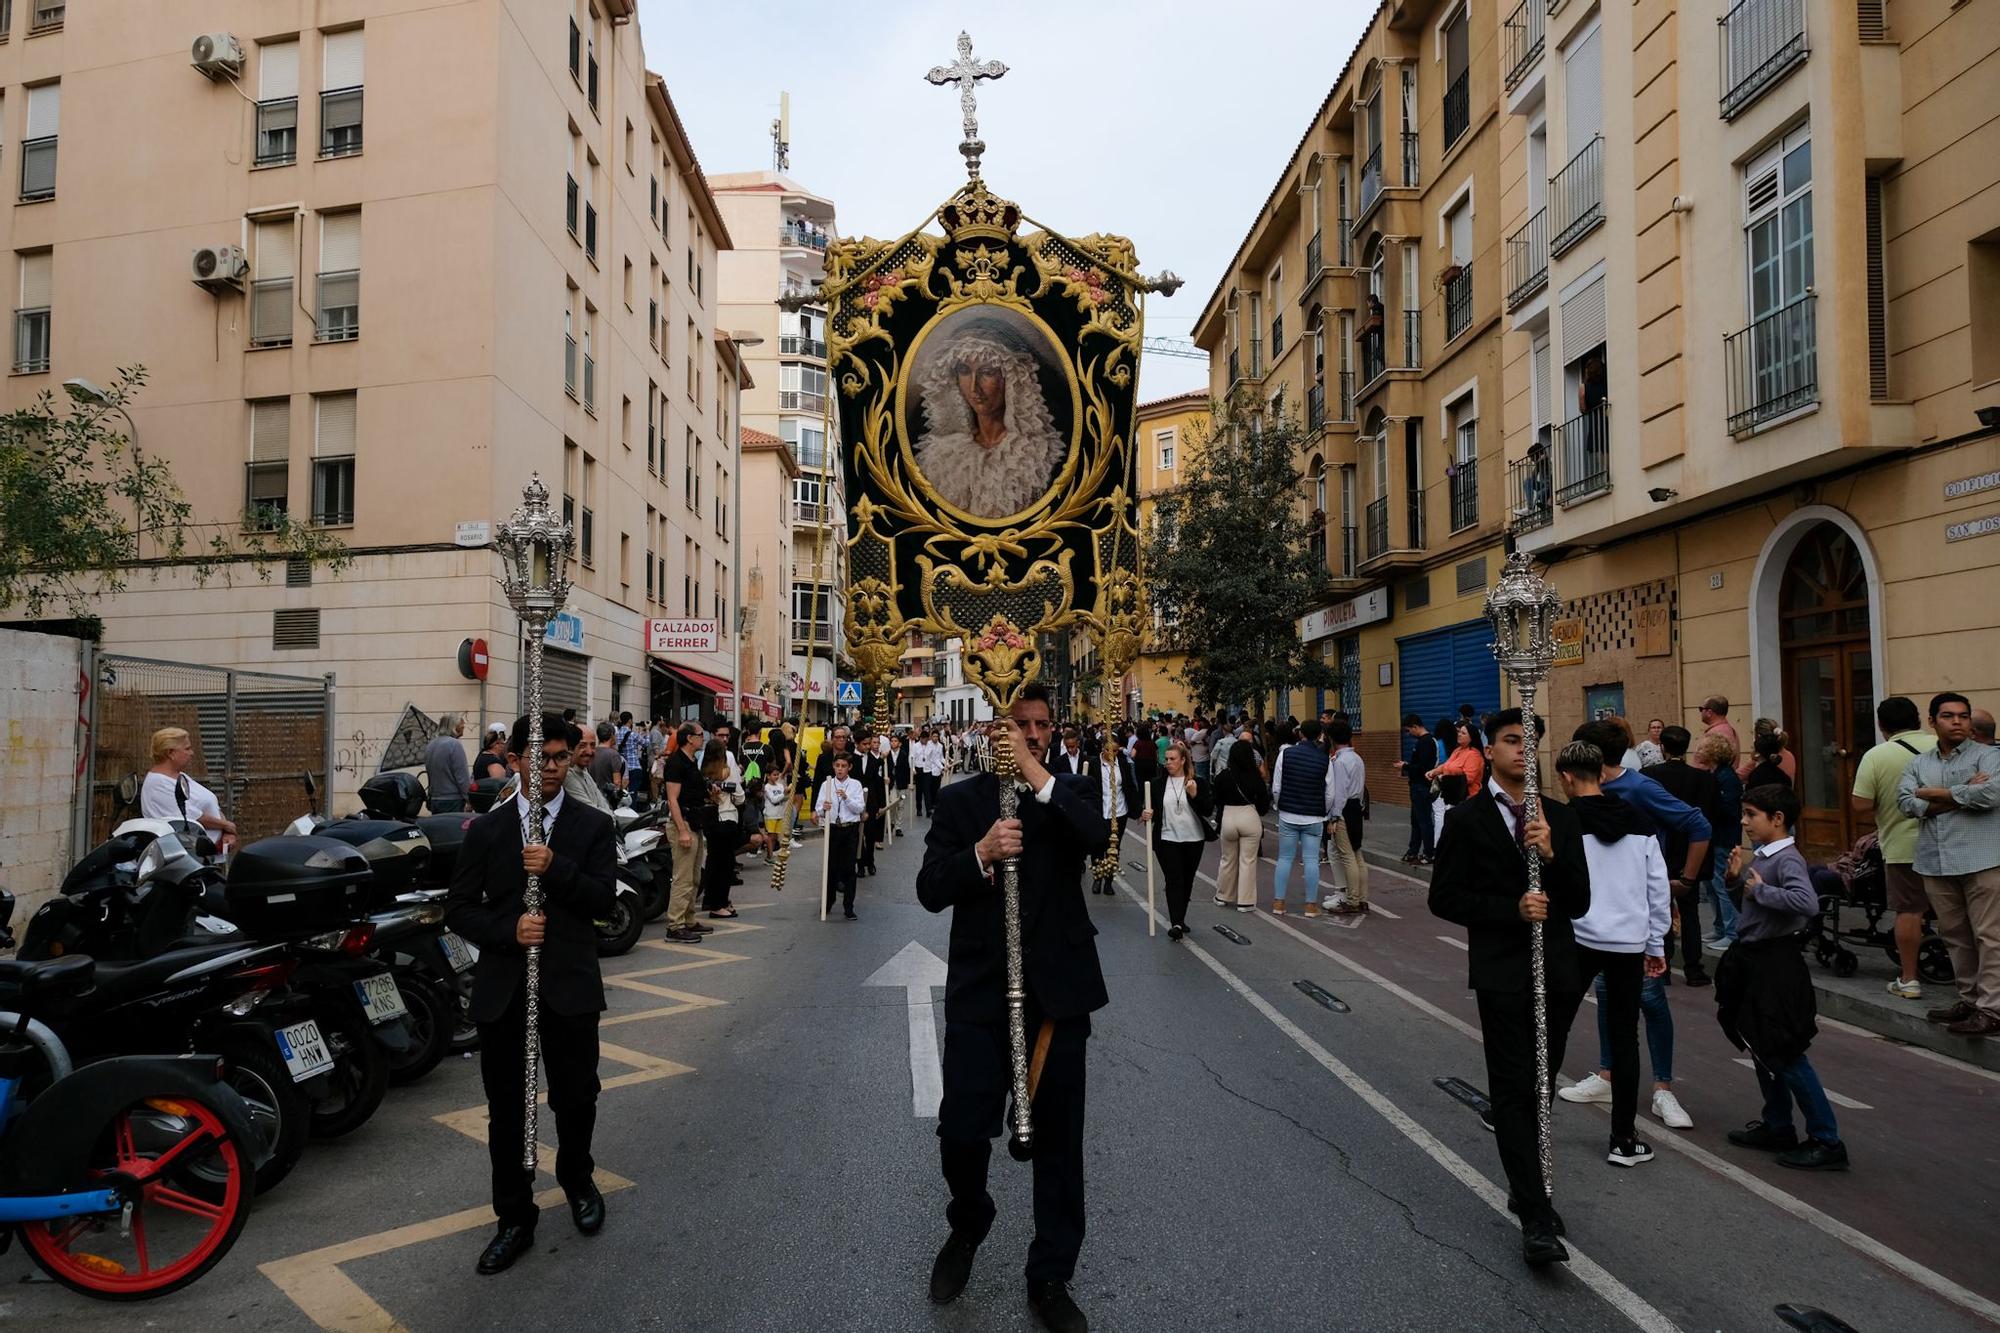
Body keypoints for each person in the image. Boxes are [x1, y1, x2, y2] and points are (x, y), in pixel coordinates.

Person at [917, 685, 1107, 1333]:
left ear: (1051, 730)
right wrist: (981, 854)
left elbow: (1096, 836)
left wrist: (1034, 773)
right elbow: (929, 887)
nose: (1031, 732)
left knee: (1060, 1144)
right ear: (996, 727)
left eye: (1041, 724)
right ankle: (969, 1221)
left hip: (1057, 996)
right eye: (1018, 724)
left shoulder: (1069, 792)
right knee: (961, 1131)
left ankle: (1050, 1275)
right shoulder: (960, 800)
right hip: (981, 992)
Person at [445, 712, 616, 1274]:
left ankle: (578, 1179)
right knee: (509, 1112)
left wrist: (557, 867)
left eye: (561, 757)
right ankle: (515, 1217)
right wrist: (509, 931)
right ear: (514, 759)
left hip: (569, 986)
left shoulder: (592, 825)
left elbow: (601, 902)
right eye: (539, 757)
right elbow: (461, 908)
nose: (550, 768)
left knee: (577, 1097)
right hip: (505, 991)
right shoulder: (489, 830)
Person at [1427, 710, 1591, 1267]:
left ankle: (1526, 1188)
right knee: (1514, 1085)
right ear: (1489, 751)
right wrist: (1510, 910)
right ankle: (1538, 1218)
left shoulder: (1561, 820)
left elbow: (1580, 899)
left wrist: (1549, 856)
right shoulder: (1466, 819)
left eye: (1531, 741)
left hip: (1559, 973)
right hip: (1501, 972)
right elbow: (1444, 898)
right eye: (1512, 741)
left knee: (1540, 1086)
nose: (1523, 749)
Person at [1552, 741, 1671, 1168]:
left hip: (1578, 937)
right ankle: (1623, 1137)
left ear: (1567, 777)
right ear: (1601, 773)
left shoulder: (1563, 820)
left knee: (1554, 1025)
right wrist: (1655, 943)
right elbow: (1657, 887)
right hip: (1628, 941)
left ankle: (1531, 1116)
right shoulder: (1639, 821)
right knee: (1624, 1038)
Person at [1719, 784, 1848, 1169]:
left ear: (1777, 819)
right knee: (1763, 1048)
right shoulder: (1763, 856)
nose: (1744, 821)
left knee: (1787, 1053)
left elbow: (1806, 904)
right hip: (1755, 959)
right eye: (1743, 813)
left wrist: (1762, 890)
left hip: (1776, 964)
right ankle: (1778, 1125)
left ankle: (1827, 1140)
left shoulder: (1787, 858)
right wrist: (1735, 881)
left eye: (1751, 814)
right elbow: (1749, 908)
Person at [1896, 693, 2000, 1038]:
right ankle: (1969, 1001)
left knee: (1989, 936)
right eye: (1948, 716)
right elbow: (1906, 802)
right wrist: (1958, 794)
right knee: (1955, 936)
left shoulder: (1989, 757)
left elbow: (1990, 795)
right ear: (1932, 722)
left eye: (1963, 716)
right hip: (1936, 862)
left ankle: (1991, 1009)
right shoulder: (1919, 763)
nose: (1957, 721)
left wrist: (1936, 793)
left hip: (1982, 859)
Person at [911, 325, 1067, 517]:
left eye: (987, 372)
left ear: (1010, 380)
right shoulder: (939, 455)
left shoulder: (1039, 455)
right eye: (964, 371)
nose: (974, 387)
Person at [1850, 697, 1939, 1001]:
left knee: (1909, 911)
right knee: (1957, 912)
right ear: (1919, 719)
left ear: (1881, 725)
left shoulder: (1877, 756)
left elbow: (1860, 805)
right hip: (1950, 843)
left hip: (1902, 846)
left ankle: (1909, 979)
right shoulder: (1943, 746)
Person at [1642, 725, 1719, 989]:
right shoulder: (1705, 779)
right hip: (1691, 852)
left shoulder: (1649, 775)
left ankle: (1663, 965)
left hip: (1660, 851)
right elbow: (1710, 816)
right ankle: (1694, 968)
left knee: (1660, 909)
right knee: (1691, 912)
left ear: (1662, 747)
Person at [1140, 740, 1214, 939]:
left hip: (1193, 839)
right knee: (1174, 879)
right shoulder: (1157, 784)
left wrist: (1195, 794)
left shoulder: (1197, 782)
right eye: (1166, 759)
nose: (1168, 763)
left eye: (1172, 759)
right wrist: (1147, 813)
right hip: (1167, 838)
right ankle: (1176, 924)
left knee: (1187, 880)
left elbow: (1208, 809)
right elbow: (1152, 809)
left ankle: (1180, 919)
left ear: (1183, 760)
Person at [1270, 720, 1341, 916]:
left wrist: (1279, 805)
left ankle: (1279, 903)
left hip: (1288, 815)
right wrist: (1323, 812)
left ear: (1300, 734)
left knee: (1284, 858)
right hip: (1314, 817)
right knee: (1311, 860)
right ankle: (1310, 906)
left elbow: (1276, 787)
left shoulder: (1285, 754)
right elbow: (1330, 794)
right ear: (1320, 735)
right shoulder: (1324, 759)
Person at [140, 727, 239, 849]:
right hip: (186, 856)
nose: (191, 753)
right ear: (170, 753)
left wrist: (226, 831)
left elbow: (211, 805)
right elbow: (192, 818)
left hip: (205, 853)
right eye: (187, 749)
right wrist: (227, 825)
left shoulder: (180, 776)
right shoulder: (158, 784)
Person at [660, 723, 710, 944]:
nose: (703, 739)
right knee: (683, 878)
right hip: (684, 824)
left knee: (695, 877)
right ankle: (675, 925)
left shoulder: (691, 761)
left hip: (695, 823)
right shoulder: (676, 762)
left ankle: (689, 919)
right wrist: (682, 831)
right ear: (690, 738)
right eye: (700, 735)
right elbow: (672, 799)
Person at [1695, 732, 1744, 947]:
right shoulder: (1716, 775)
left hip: (1723, 837)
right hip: (1715, 836)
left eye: (1703, 748)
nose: (1698, 751)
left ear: (1713, 752)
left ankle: (1732, 933)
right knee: (1712, 885)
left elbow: (1729, 810)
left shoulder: (1727, 778)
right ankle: (1720, 927)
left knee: (1722, 884)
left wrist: (1708, 805)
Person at [1213, 736, 1270, 912]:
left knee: (1227, 859)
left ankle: (1223, 895)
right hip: (1249, 815)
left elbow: (1216, 799)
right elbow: (1264, 802)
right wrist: (1257, 811)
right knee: (1248, 860)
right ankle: (1245, 901)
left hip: (1229, 817)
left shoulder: (1223, 775)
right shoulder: (1255, 776)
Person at [1083, 733, 1140, 897]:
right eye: (1109, 750)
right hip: (1099, 812)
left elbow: (1130, 788)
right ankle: (1097, 878)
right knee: (1097, 846)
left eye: (1116, 751)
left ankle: (1109, 881)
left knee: (1113, 848)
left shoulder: (1122, 765)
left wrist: (1137, 810)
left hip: (1119, 812)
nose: (1112, 754)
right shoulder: (1094, 764)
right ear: (1103, 749)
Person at [1326, 720, 1371, 916]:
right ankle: (1362, 899)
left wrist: (1334, 817)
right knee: (1357, 853)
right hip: (1356, 808)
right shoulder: (1357, 758)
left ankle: (1352, 900)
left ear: (1331, 738)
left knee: (1347, 855)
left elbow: (1339, 793)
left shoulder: (1339, 762)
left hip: (1343, 809)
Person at [816, 752, 866, 919]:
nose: (840, 769)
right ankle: (828, 902)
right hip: (833, 829)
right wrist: (824, 808)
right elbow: (819, 809)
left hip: (850, 829)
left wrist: (846, 798)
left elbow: (859, 808)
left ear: (849, 767)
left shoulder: (855, 785)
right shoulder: (827, 784)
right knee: (831, 867)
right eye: (837, 766)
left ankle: (848, 906)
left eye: (843, 766)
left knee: (849, 869)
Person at [698, 739, 743, 919]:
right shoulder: (727, 773)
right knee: (725, 866)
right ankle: (719, 904)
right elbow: (740, 797)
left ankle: (711, 900)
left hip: (710, 821)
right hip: (727, 819)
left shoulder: (702, 774)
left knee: (713, 862)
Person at [1394, 714, 1440, 864]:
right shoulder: (1424, 742)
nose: (1408, 734)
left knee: (1424, 820)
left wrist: (1406, 766)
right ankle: (1413, 850)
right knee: (1416, 820)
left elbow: (1424, 767)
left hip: (1422, 786)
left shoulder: (1426, 742)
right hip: (1417, 786)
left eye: (1408, 730)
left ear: (1415, 726)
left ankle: (1429, 853)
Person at [1427, 719, 1486, 811]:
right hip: (1452, 796)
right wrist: (1433, 772)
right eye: (1459, 732)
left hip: (1467, 799)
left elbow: (1469, 779)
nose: (1459, 735)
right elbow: (1446, 765)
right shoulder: (1458, 750)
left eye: (1463, 733)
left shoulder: (1474, 755)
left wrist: (1445, 779)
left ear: (1471, 737)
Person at [857, 732, 889, 877]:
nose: (868, 746)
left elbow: (877, 781)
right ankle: (860, 863)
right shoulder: (850, 760)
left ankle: (870, 861)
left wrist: (881, 803)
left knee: (870, 834)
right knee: (857, 835)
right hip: (854, 802)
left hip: (870, 801)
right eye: (864, 743)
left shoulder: (873, 759)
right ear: (857, 743)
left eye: (869, 743)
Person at [425, 714, 472, 813]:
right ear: (454, 727)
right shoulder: (454, 745)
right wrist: (469, 799)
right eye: (461, 726)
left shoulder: (431, 745)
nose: (463, 729)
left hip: (435, 799)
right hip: (452, 800)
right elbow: (462, 777)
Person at [588, 721, 622, 796]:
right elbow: (617, 782)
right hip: (607, 798)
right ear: (612, 735)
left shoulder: (591, 752)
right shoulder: (613, 755)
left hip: (592, 795)